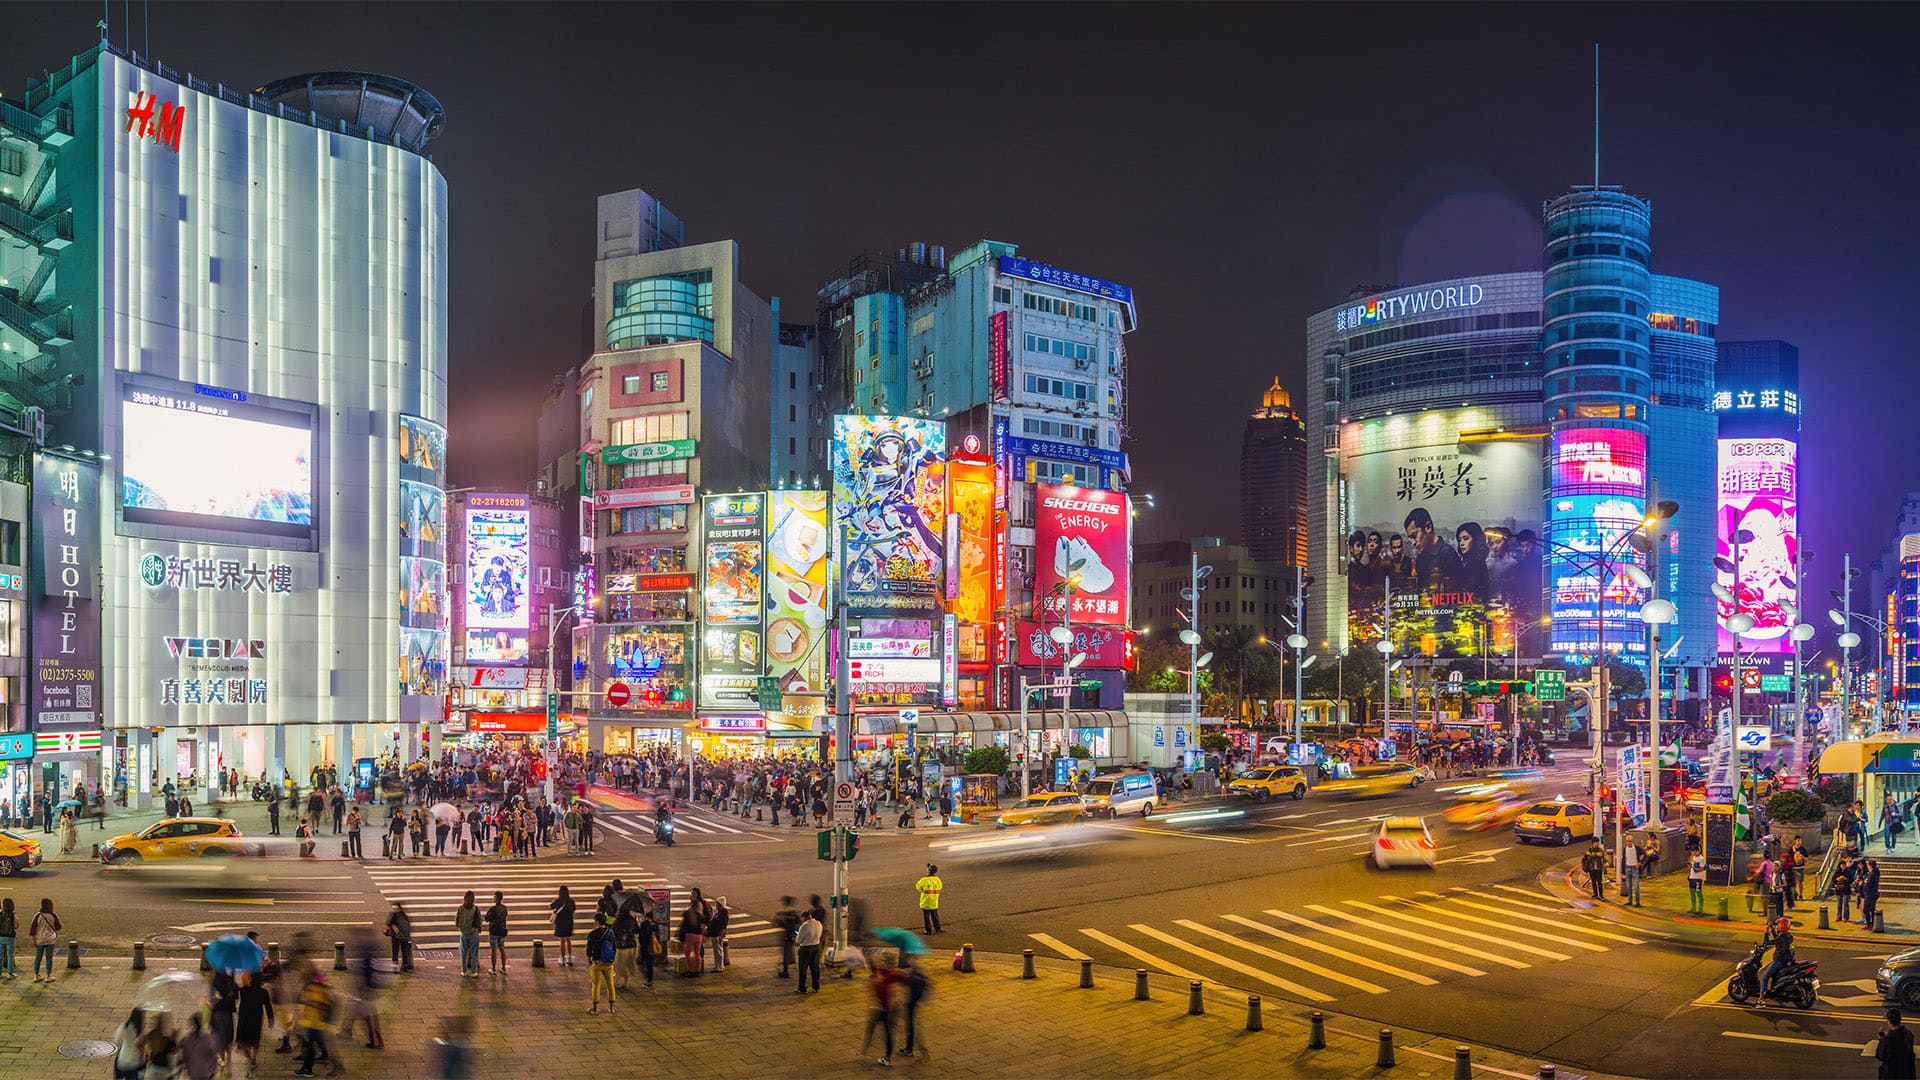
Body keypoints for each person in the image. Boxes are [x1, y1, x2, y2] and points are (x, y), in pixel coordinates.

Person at [862, 952, 905, 1066]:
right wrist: (869, 959)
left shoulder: (890, 977)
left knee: (888, 1033)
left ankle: (887, 1057)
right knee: (874, 1026)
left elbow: (889, 995)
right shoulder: (886, 973)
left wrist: (874, 985)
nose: (881, 963)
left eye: (884, 961)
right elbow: (875, 970)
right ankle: (867, 1047)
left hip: (888, 1010)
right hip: (883, 1008)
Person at [293, 972, 335, 1077]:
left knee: (310, 1047)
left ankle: (308, 1069)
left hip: (314, 1023)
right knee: (313, 1045)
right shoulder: (315, 989)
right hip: (312, 1023)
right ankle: (311, 1065)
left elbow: (324, 1006)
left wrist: (311, 1003)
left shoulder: (319, 991)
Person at [233, 970, 273, 1078]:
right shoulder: (263, 992)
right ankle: (254, 1058)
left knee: (243, 1042)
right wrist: (271, 1019)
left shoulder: (245, 990)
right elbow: (268, 1007)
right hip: (256, 1020)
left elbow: (236, 988)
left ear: (251, 980)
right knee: (255, 1040)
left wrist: (231, 976)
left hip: (244, 1020)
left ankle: (250, 1058)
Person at [585, 916, 617, 1014]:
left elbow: (589, 950)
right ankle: (611, 1008)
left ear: (597, 922)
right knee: (610, 984)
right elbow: (614, 947)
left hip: (597, 962)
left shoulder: (593, 934)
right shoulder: (610, 933)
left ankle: (595, 1008)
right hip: (609, 962)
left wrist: (589, 960)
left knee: (596, 984)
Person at [1759, 916, 1794, 1001]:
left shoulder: (1782, 937)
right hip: (1785, 960)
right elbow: (1777, 940)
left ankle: (1761, 999)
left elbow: (1767, 943)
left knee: (1764, 978)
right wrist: (1773, 931)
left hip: (1778, 961)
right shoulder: (1787, 936)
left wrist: (1766, 932)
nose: (1777, 925)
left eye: (1778, 924)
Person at [1879, 1008, 1918, 1079]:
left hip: (1891, 1073)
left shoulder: (1887, 1039)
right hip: (1906, 1071)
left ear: (1890, 1022)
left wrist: (1882, 1038)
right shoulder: (1908, 1034)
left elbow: (1881, 1056)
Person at [179, 1013, 221, 1080]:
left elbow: (184, 1056)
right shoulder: (208, 1038)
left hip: (196, 1073)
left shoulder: (188, 1039)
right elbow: (215, 1053)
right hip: (204, 1073)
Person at [28, 897, 59, 982]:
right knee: (49, 958)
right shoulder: (53, 915)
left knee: (38, 957)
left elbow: (33, 928)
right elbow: (58, 926)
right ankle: (49, 975)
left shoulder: (38, 915)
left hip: (40, 939)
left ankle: (36, 975)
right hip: (50, 939)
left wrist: (33, 938)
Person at [679, 888, 708, 976]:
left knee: (687, 954)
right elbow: (703, 926)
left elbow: (684, 924)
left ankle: (690, 970)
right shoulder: (701, 916)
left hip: (690, 935)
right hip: (698, 936)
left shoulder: (689, 913)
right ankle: (697, 971)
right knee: (697, 954)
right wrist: (702, 935)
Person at [794, 909, 824, 994]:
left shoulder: (804, 926)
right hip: (815, 948)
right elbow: (820, 935)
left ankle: (802, 988)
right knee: (815, 969)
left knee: (803, 969)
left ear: (804, 917)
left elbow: (798, 940)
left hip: (805, 949)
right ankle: (816, 987)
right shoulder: (818, 924)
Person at [612, 901, 639, 990]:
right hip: (631, 945)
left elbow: (614, 933)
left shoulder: (618, 921)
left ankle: (617, 982)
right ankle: (625, 983)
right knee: (627, 964)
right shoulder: (632, 920)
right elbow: (637, 931)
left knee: (618, 965)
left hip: (621, 946)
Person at [455, 891, 482, 978]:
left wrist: (461, 927)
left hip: (464, 934)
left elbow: (457, 921)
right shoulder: (476, 908)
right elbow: (479, 921)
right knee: (474, 954)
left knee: (463, 953)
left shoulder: (460, 908)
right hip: (474, 934)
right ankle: (474, 971)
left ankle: (464, 971)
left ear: (464, 898)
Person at [113, 1008, 145, 1080]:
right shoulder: (141, 1033)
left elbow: (117, 1041)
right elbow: (142, 1050)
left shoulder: (124, 1027)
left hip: (122, 1062)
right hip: (135, 1063)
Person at [775, 896, 801, 980]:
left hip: (786, 934)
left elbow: (778, 922)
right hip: (792, 933)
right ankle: (792, 959)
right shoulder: (794, 912)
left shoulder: (782, 913)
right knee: (790, 947)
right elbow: (798, 922)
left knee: (785, 952)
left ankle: (785, 971)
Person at [550, 885, 577, 967]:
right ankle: (569, 958)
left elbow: (551, 906)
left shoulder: (558, 901)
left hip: (560, 923)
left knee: (562, 941)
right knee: (568, 940)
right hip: (569, 922)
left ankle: (562, 958)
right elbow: (574, 909)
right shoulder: (571, 901)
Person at [385, 901, 414, 972]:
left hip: (396, 936)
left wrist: (386, 932)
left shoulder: (393, 915)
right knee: (404, 951)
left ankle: (395, 968)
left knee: (395, 951)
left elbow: (387, 926)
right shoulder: (405, 915)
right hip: (405, 937)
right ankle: (405, 966)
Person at [485, 890, 509, 974]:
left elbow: (487, 918)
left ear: (496, 898)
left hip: (494, 931)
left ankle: (493, 969)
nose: (493, 898)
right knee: (502, 949)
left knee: (494, 950)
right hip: (502, 931)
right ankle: (503, 967)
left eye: (494, 897)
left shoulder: (493, 909)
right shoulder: (504, 908)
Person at [916, 864, 944, 934]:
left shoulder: (924, 879)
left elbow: (918, 887)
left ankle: (928, 931)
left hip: (926, 901)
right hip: (934, 901)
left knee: (926, 917)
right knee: (935, 916)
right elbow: (940, 887)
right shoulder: (937, 879)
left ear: (929, 871)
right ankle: (938, 929)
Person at [707, 896, 731, 971]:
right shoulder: (719, 913)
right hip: (714, 934)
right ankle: (718, 965)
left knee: (718, 951)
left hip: (717, 935)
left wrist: (721, 936)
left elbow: (723, 926)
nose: (715, 905)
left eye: (717, 904)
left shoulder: (723, 914)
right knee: (717, 951)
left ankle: (719, 967)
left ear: (720, 905)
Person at [1620, 835, 1642, 907]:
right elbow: (1623, 860)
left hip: (1635, 868)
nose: (1629, 843)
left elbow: (1643, 855)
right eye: (1627, 841)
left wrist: (1640, 862)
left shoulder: (1636, 848)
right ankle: (1630, 901)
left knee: (1636, 886)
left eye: (1630, 841)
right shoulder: (1624, 849)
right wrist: (1622, 872)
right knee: (1628, 886)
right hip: (1627, 868)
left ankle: (1637, 902)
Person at [1836, 856, 1858, 924]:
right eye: (1841, 865)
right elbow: (1834, 879)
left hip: (1846, 890)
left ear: (1845, 865)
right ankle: (1838, 916)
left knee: (1845, 904)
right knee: (1839, 904)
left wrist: (1846, 879)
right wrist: (1838, 879)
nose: (1842, 866)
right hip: (1839, 890)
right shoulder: (1837, 872)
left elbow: (1851, 880)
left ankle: (1846, 917)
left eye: (1844, 865)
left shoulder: (1848, 872)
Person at [1687, 850, 1707, 914]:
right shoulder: (1693, 857)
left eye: (1694, 852)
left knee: (1699, 893)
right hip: (1692, 878)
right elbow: (1690, 865)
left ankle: (1700, 909)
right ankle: (1693, 908)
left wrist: (1693, 867)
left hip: (1698, 878)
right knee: (1692, 893)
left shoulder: (1701, 859)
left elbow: (1701, 869)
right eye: (1692, 852)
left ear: (1698, 851)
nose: (1693, 853)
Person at [0, 897, 15, 980]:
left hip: (0, 936)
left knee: (0, 955)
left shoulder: (0, 913)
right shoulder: (13, 914)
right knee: (10, 955)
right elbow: (16, 926)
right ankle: (10, 973)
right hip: (10, 937)